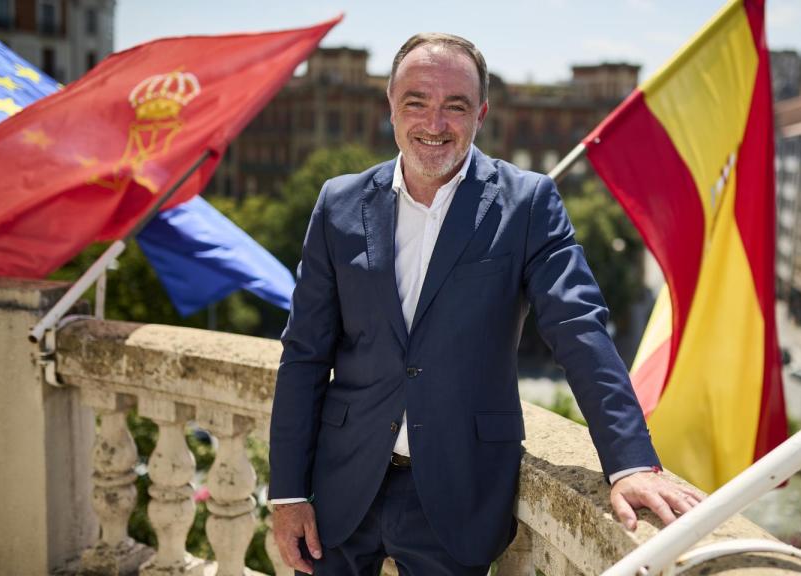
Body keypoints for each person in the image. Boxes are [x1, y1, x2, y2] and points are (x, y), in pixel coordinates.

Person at [269, 32, 703, 575]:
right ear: (391, 107)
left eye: (456, 106)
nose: (434, 123)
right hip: (340, 487)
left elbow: (577, 327)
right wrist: (286, 491)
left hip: (458, 495)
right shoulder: (339, 201)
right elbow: (304, 353)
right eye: (416, 102)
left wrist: (631, 461)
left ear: (482, 114)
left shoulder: (528, 203)